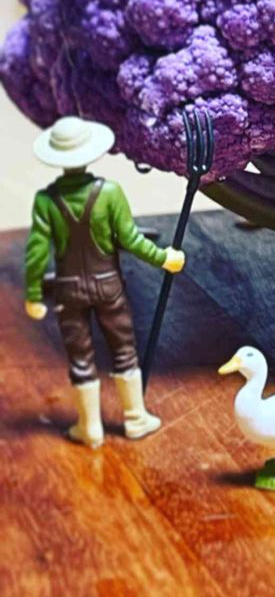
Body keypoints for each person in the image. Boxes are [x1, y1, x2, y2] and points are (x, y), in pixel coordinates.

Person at [24, 115, 185, 448]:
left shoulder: (45, 200)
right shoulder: (110, 193)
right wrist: (163, 258)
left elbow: (36, 252)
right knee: (124, 350)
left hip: (68, 289)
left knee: (80, 358)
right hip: (109, 285)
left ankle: (89, 427)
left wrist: (33, 294)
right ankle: (135, 419)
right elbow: (131, 239)